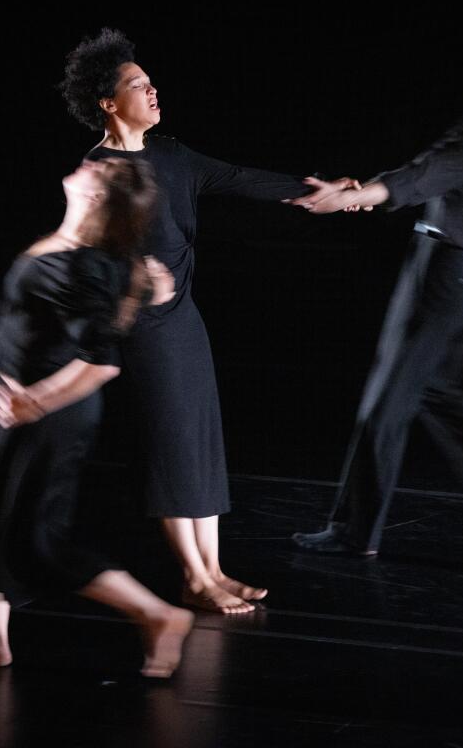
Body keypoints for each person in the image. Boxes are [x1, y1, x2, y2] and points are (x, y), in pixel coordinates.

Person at [59, 30, 340, 611]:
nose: (152, 90)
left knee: (201, 445)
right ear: (109, 104)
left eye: (150, 81)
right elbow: (86, 260)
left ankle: (213, 568)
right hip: (142, 329)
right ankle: (192, 577)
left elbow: (241, 178)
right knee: (172, 449)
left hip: (186, 324)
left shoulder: (173, 156)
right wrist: (130, 289)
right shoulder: (98, 171)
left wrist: (323, 193)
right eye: (138, 85)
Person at [288, 1, 463, 556]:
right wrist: (367, 192)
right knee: (437, 390)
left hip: (450, 272)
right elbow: (436, 169)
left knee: (386, 400)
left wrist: (355, 195)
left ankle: (354, 533)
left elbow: (430, 171)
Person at [0, 158, 194, 678]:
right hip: (10, 400)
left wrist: (38, 402)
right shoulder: (89, 253)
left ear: (98, 197)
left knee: (38, 538)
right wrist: (147, 288)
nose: (89, 162)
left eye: (100, 168)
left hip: (44, 414)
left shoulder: (77, 263)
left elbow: (102, 363)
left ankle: (158, 614)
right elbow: (129, 291)